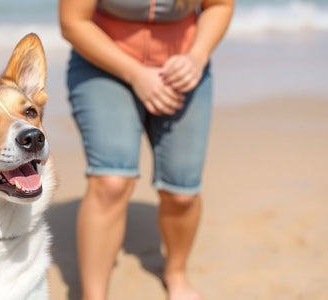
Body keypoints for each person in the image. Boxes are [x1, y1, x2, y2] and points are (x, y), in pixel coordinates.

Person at [59, 0, 234, 299]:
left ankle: (176, 273)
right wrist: (136, 74)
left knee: (181, 194)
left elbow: (218, 5)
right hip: (104, 65)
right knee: (111, 183)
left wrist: (197, 56)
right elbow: (73, 22)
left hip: (183, 65)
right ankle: (93, 295)